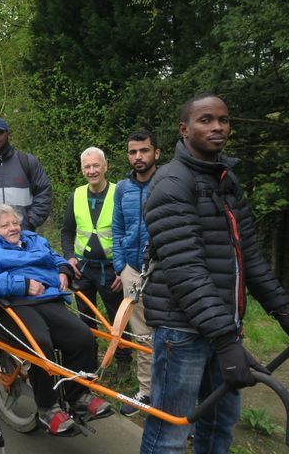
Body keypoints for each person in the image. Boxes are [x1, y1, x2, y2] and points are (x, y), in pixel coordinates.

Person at [140, 94, 289, 453]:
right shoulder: (171, 183)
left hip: (223, 329)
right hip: (183, 331)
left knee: (219, 427)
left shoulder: (226, 181)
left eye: (224, 119)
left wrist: (284, 314)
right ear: (184, 129)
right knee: (170, 433)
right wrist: (225, 341)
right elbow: (186, 270)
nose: (218, 127)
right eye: (206, 120)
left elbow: (249, 256)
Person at [0, 204, 111, 435]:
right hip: (11, 304)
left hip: (47, 298)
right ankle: (48, 408)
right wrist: (22, 285)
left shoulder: (33, 239)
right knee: (39, 343)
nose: (13, 228)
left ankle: (79, 396)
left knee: (83, 337)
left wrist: (64, 269)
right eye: (5, 225)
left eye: (15, 223)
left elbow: (54, 258)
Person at [60, 147, 132, 369]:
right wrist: (70, 258)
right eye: (87, 167)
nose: (92, 171)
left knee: (118, 320)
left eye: (96, 165)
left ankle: (123, 364)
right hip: (83, 268)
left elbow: (131, 232)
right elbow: (67, 231)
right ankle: (88, 362)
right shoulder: (77, 194)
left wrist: (124, 268)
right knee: (86, 320)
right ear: (82, 169)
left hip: (111, 270)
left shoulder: (118, 192)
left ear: (105, 166)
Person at [112, 130, 160, 416]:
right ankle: (146, 391)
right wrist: (120, 265)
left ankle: (172, 396)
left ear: (156, 152)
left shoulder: (169, 183)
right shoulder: (122, 188)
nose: (138, 157)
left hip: (162, 271)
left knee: (167, 334)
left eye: (144, 150)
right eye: (133, 152)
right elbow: (118, 228)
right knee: (141, 335)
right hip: (132, 270)